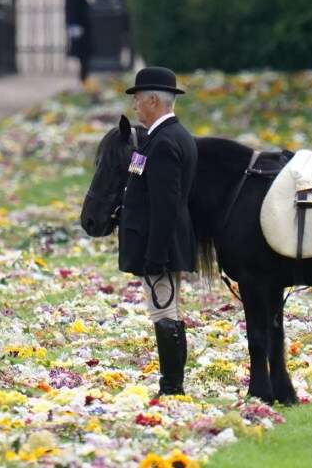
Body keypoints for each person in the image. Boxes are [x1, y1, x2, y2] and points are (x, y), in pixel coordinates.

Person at [119, 66, 197, 396]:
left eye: (138, 100)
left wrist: (155, 255)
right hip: (162, 244)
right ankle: (173, 383)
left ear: (153, 100)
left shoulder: (164, 143)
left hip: (159, 247)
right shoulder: (171, 136)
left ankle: (172, 386)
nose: (135, 107)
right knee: (169, 311)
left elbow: (165, 206)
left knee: (163, 312)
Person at [65, 0, 93, 84]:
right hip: (77, 19)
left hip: (79, 20)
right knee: (81, 52)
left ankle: (85, 79)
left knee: (83, 53)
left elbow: (76, 2)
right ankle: (83, 78)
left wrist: (75, 22)